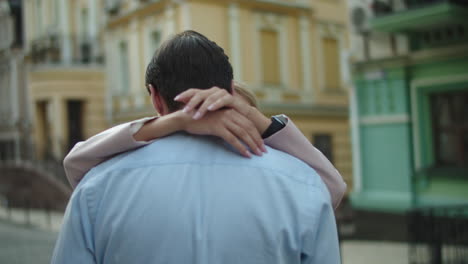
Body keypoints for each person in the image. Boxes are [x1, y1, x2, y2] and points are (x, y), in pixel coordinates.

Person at [52, 30, 342, 264]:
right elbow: (331, 188)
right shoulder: (300, 184)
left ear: (155, 98)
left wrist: (174, 122)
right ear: (230, 89)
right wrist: (257, 120)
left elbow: (75, 164)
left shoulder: (97, 188)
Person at [63, 83, 346, 209]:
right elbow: (76, 163)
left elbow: (332, 188)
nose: (223, 128)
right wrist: (175, 123)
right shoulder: (162, 170)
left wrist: (257, 120)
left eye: (236, 121)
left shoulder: (274, 173)